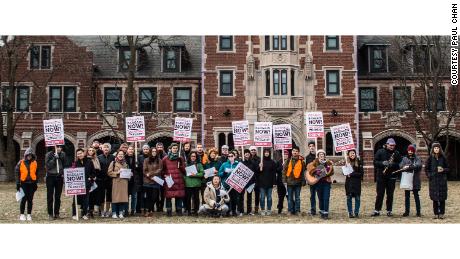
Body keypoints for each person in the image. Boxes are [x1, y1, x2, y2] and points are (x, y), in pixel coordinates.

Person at [372, 138, 402, 217]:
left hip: (391, 177)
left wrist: (393, 165)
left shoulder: (396, 153)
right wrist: (382, 163)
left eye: (393, 145)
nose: (392, 147)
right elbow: (375, 162)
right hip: (381, 176)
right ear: (387, 144)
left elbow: (400, 164)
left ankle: (389, 210)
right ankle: (377, 210)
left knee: (390, 194)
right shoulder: (380, 151)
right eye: (391, 145)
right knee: (380, 194)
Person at [307, 149, 334, 219]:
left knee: (326, 197)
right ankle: (322, 211)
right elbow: (310, 170)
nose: (322, 156)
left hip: (326, 182)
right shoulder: (314, 162)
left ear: (324, 156)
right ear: (318, 156)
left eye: (323, 155)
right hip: (318, 183)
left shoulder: (328, 163)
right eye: (320, 155)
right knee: (320, 198)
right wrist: (317, 171)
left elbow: (332, 172)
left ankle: (326, 213)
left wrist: (328, 171)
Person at [425, 141, 449, 219]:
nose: (436, 149)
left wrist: (443, 170)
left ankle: (441, 213)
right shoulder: (430, 158)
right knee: (435, 198)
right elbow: (426, 169)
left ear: (439, 149)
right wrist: (430, 176)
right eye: (435, 148)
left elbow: (448, 168)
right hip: (433, 180)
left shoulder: (443, 157)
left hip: (442, 180)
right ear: (433, 149)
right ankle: (435, 213)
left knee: (442, 198)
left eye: (437, 148)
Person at [162, 143, 186, 217]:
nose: (175, 149)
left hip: (178, 180)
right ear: (171, 149)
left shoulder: (180, 158)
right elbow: (162, 169)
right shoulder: (165, 158)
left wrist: (181, 165)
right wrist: (164, 175)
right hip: (170, 180)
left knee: (179, 196)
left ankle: (179, 210)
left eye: (176, 148)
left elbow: (184, 170)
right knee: (168, 196)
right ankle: (169, 211)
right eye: (174, 148)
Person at [45, 145, 67, 220]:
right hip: (50, 176)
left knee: (58, 196)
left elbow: (64, 164)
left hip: (59, 177)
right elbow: (48, 166)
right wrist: (54, 158)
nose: (59, 148)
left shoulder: (63, 154)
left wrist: (60, 156)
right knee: (50, 196)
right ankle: (50, 213)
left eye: (61, 147)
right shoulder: (48, 154)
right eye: (58, 147)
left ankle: (57, 213)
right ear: (54, 147)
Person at [15, 148, 38, 221]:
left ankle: (29, 214)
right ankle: (22, 214)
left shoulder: (35, 162)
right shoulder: (20, 162)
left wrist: (36, 183)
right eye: (28, 155)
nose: (29, 156)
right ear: (25, 155)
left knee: (30, 199)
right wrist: (18, 183)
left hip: (32, 183)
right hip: (23, 183)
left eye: (30, 155)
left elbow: (36, 173)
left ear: (32, 156)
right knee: (24, 199)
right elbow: (17, 172)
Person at [282, 146, 306, 216]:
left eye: (296, 151)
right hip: (289, 182)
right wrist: (284, 180)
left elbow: (303, 172)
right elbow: (284, 171)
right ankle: (290, 210)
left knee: (297, 197)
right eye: (293, 151)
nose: (295, 152)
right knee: (289, 198)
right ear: (291, 152)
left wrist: (303, 181)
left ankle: (297, 210)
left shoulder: (302, 162)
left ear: (298, 152)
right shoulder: (288, 160)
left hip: (298, 182)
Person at [400, 144, 422, 217]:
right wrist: (404, 166)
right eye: (409, 150)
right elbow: (400, 165)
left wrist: (409, 166)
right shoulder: (404, 158)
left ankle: (418, 212)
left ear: (414, 151)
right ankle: (407, 211)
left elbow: (418, 166)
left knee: (416, 196)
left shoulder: (417, 158)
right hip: (407, 179)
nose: (410, 152)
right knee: (407, 196)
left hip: (415, 179)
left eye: (411, 150)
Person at [71, 148, 93, 220]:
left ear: (84, 153)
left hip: (86, 184)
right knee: (75, 199)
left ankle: (84, 214)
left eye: (80, 153)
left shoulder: (89, 162)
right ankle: (74, 214)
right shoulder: (75, 163)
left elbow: (93, 172)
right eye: (78, 154)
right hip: (77, 184)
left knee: (85, 200)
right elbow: (72, 173)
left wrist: (91, 178)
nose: (79, 155)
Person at [108, 150, 129, 219]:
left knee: (122, 198)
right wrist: (117, 172)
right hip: (116, 182)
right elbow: (109, 172)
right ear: (117, 155)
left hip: (124, 183)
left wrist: (130, 174)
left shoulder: (126, 163)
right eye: (119, 154)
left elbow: (128, 173)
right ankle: (114, 213)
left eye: (122, 154)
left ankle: (120, 213)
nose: (120, 155)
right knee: (115, 198)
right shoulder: (113, 163)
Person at [142, 147, 163, 217]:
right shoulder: (146, 160)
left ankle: (149, 210)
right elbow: (144, 170)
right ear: (150, 152)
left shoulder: (159, 160)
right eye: (152, 151)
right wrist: (150, 176)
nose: (154, 152)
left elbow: (159, 169)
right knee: (148, 197)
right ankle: (149, 210)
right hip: (147, 181)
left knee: (154, 197)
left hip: (156, 181)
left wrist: (151, 174)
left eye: (155, 151)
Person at [218, 150, 240, 216]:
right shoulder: (224, 164)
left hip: (234, 184)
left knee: (234, 198)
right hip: (226, 184)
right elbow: (219, 173)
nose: (230, 157)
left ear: (234, 156)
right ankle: (227, 211)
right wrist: (224, 172)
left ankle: (234, 211)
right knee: (227, 198)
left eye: (231, 156)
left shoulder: (238, 164)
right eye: (229, 156)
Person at [344, 149, 364, 218]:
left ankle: (356, 212)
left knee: (357, 198)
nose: (352, 155)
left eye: (353, 153)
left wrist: (352, 174)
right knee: (349, 197)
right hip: (349, 183)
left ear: (355, 154)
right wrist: (345, 171)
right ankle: (350, 212)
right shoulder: (347, 163)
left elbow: (361, 173)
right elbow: (344, 173)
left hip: (357, 183)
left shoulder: (359, 162)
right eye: (351, 153)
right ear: (348, 155)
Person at [97, 143, 115, 217]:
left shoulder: (113, 157)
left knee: (109, 196)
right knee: (101, 196)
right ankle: (101, 211)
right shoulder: (99, 157)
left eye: (107, 147)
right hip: (101, 179)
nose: (106, 149)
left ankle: (107, 211)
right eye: (105, 147)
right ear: (102, 149)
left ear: (110, 149)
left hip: (110, 179)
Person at [184, 151, 204, 216]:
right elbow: (183, 174)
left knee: (196, 198)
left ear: (196, 157)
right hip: (188, 184)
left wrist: (195, 174)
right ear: (189, 157)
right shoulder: (186, 164)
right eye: (192, 156)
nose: (193, 157)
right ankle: (189, 211)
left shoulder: (199, 164)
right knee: (188, 198)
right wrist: (185, 179)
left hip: (196, 184)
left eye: (194, 156)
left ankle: (196, 211)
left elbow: (202, 173)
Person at [258, 148, 277, 216]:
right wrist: (259, 167)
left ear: (269, 153)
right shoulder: (261, 161)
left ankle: (269, 209)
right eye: (265, 152)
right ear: (263, 153)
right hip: (262, 183)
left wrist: (274, 183)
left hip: (270, 182)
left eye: (267, 152)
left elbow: (274, 173)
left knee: (269, 197)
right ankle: (262, 209)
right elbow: (258, 172)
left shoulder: (272, 162)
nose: (266, 153)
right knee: (262, 197)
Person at [125, 145, 141, 216]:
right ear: (127, 150)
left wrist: (138, 166)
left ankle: (133, 210)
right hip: (126, 180)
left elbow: (140, 169)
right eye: (130, 149)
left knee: (134, 196)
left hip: (135, 180)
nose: (131, 150)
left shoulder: (137, 158)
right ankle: (126, 210)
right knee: (126, 196)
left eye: (132, 149)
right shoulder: (124, 158)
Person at [87, 147, 101, 218]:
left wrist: (96, 177)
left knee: (93, 197)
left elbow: (98, 169)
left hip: (96, 180)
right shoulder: (86, 159)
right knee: (88, 196)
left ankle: (91, 211)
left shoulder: (96, 159)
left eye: (92, 150)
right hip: (89, 179)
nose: (91, 151)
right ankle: (87, 211)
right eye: (89, 150)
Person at [304, 141, 318, 215]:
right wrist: (307, 179)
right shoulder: (307, 157)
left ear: (315, 147)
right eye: (310, 146)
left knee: (320, 195)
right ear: (309, 148)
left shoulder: (318, 156)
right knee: (312, 195)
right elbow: (306, 169)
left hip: (319, 179)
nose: (311, 147)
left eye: (313, 146)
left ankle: (322, 209)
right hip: (311, 179)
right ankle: (313, 210)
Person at [242, 149, 257, 215]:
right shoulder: (241, 162)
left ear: (249, 154)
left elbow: (255, 171)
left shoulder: (253, 163)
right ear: (244, 154)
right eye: (245, 153)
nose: (247, 154)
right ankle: (241, 211)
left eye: (248, 153)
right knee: (241, 197)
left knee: (249, 197)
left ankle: (249, 211)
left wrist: (260, 166)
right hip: (242, 182)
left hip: (250, 182)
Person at [136, 144, 150, 214]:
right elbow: (138, 168)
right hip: (141, 178)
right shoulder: (139, 157)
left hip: (149, 178)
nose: (146, 150)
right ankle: (139, 208)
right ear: (142, 150)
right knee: (140, 194)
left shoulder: (151, 157)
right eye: (144, 149)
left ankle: (148, 208)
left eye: (147, 149)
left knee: (148, 194)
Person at [275, 150, 289, 214]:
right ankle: (280, 208)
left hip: (288, 182)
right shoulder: (279, 162)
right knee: (280, 196)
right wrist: (282, 167)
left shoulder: (290, 161)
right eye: (284, 154)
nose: (285, 155)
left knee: (289, 196)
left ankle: (291, 208)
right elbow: (276, 170)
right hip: (280, 182)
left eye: (286, 154)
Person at [249, 146, 261, 214]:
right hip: (250, 180)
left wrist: (260, 166)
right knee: (249, 194)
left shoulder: (259, 159)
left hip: (257, 179)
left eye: (254, 150)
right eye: (252, 150)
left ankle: (256, 208)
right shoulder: (248, 158)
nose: (253, 151)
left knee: (257, 194)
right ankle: (249, 208)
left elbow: (259, 170)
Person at [155, 142, 167, 212]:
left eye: (161, 147)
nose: (159, 149)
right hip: (156, 176)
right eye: (158, 147)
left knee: (163, 193)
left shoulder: (166, 156)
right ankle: (157, 206)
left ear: (163, 148)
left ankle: (161, 207)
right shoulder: (154, 155)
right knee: (156, 193)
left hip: (163, 177)